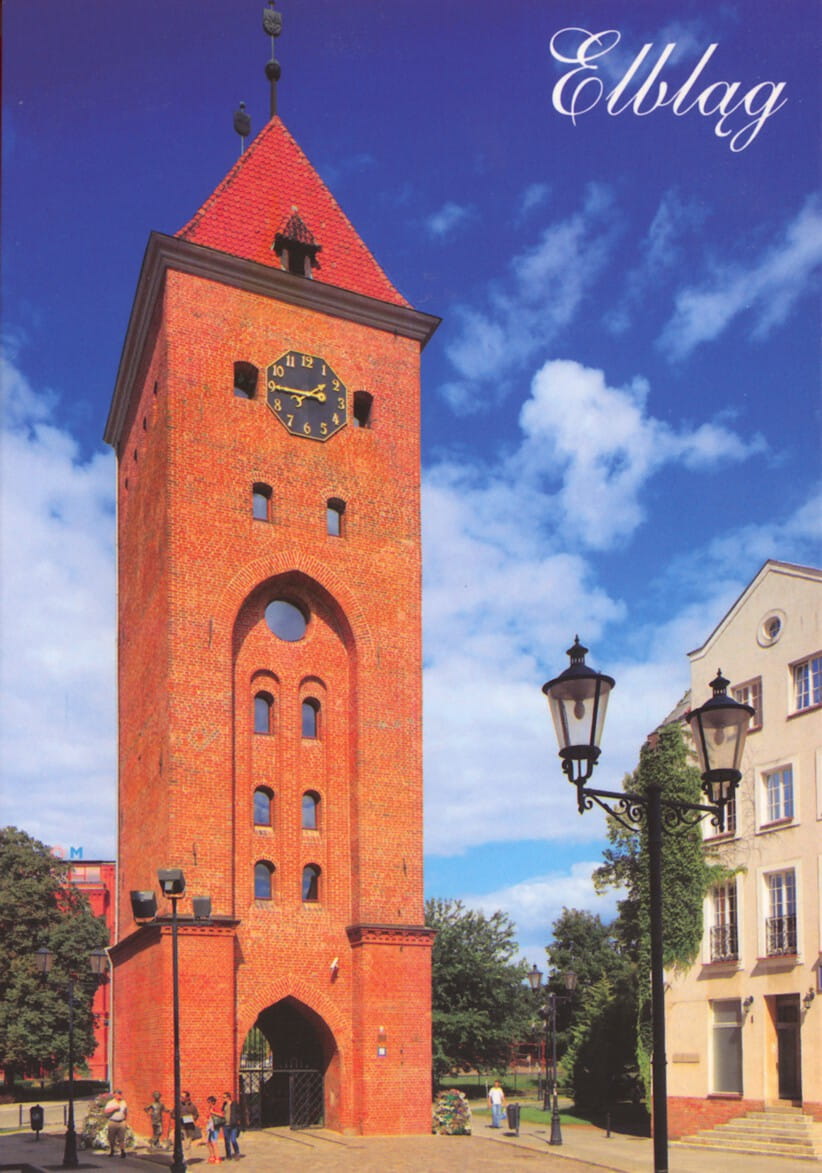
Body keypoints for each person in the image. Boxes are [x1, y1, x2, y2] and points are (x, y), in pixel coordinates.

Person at [104, 1089, 128, 1157]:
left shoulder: (123, 1102)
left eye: (120, 1094)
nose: (119, 1096)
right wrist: (114, 1108)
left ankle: (122, 1151)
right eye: (117, 1094)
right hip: (113, 1122)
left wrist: (125, 1120)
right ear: (114, 1095)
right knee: (111, 1138)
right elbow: (106, 1111)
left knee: (122, 1138)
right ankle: (112, 1150)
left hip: (121, 1122)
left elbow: (125, 1111)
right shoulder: (110, 1103)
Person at [204, 1095, 224, 1164]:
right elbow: (208, 1116)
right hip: (209, 1126)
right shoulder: (209, 1108)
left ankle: (217, 1157)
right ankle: (212, 1155)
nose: (208, 1103)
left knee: (214, 1142)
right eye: (208, 1102)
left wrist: (213, 1112)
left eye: (209, 1102)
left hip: (215, 1126)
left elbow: (222, 1115)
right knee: (208, 1142)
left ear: (213, 1102)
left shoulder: (216, 1107)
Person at [221, 1091, 241, 1160]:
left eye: (224, 1097)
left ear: (228, 1097)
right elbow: (222, 1112)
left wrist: (238, 1121)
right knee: (227, 1141)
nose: (223, 1099)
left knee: (233, 1140)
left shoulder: (234, 1104)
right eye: (223, 1097)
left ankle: (237, 1152)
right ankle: (228, 1155)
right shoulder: (224, 1104)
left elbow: (238, 1113)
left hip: (233, 1125)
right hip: (225, 1125)